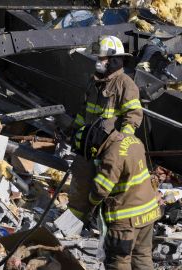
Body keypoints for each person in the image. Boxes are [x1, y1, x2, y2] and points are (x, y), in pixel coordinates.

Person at [68, 35, 144, 220]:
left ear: (114, 60)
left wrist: (120, 146)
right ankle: (72, 225)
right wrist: (73, 131)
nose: (98, 62)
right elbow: (84, 111)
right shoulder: (94, 82)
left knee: (103, 191)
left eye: (101, 58)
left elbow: (133, 116)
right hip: (87, 148)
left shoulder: (125, 84)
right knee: (79, 186)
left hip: (108, 151)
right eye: (98, 58)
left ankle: (97, 226)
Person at [74, 119, 159, 270]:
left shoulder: (111, 155)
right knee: (142, 257)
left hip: (126, 220)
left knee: (118, 261)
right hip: (148, 212)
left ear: (93, 145)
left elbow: (101, 189)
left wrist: (91, 204)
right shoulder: (132, 139)